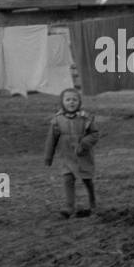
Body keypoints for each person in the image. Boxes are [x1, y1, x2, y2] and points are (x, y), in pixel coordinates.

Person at [43, 86, 101, 218]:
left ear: (79, 102)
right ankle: (69, 206)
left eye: (74, 99)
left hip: (83, 156)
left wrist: (84, 143)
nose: (71, 102)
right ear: (62, 102)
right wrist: (48, 157)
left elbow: (95, 134)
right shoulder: (57, 120)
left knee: (87, 180)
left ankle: (92, 202)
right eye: (68, 99)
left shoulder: (85, 118)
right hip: (67, 157)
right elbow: (51, 139)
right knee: (67, 179)